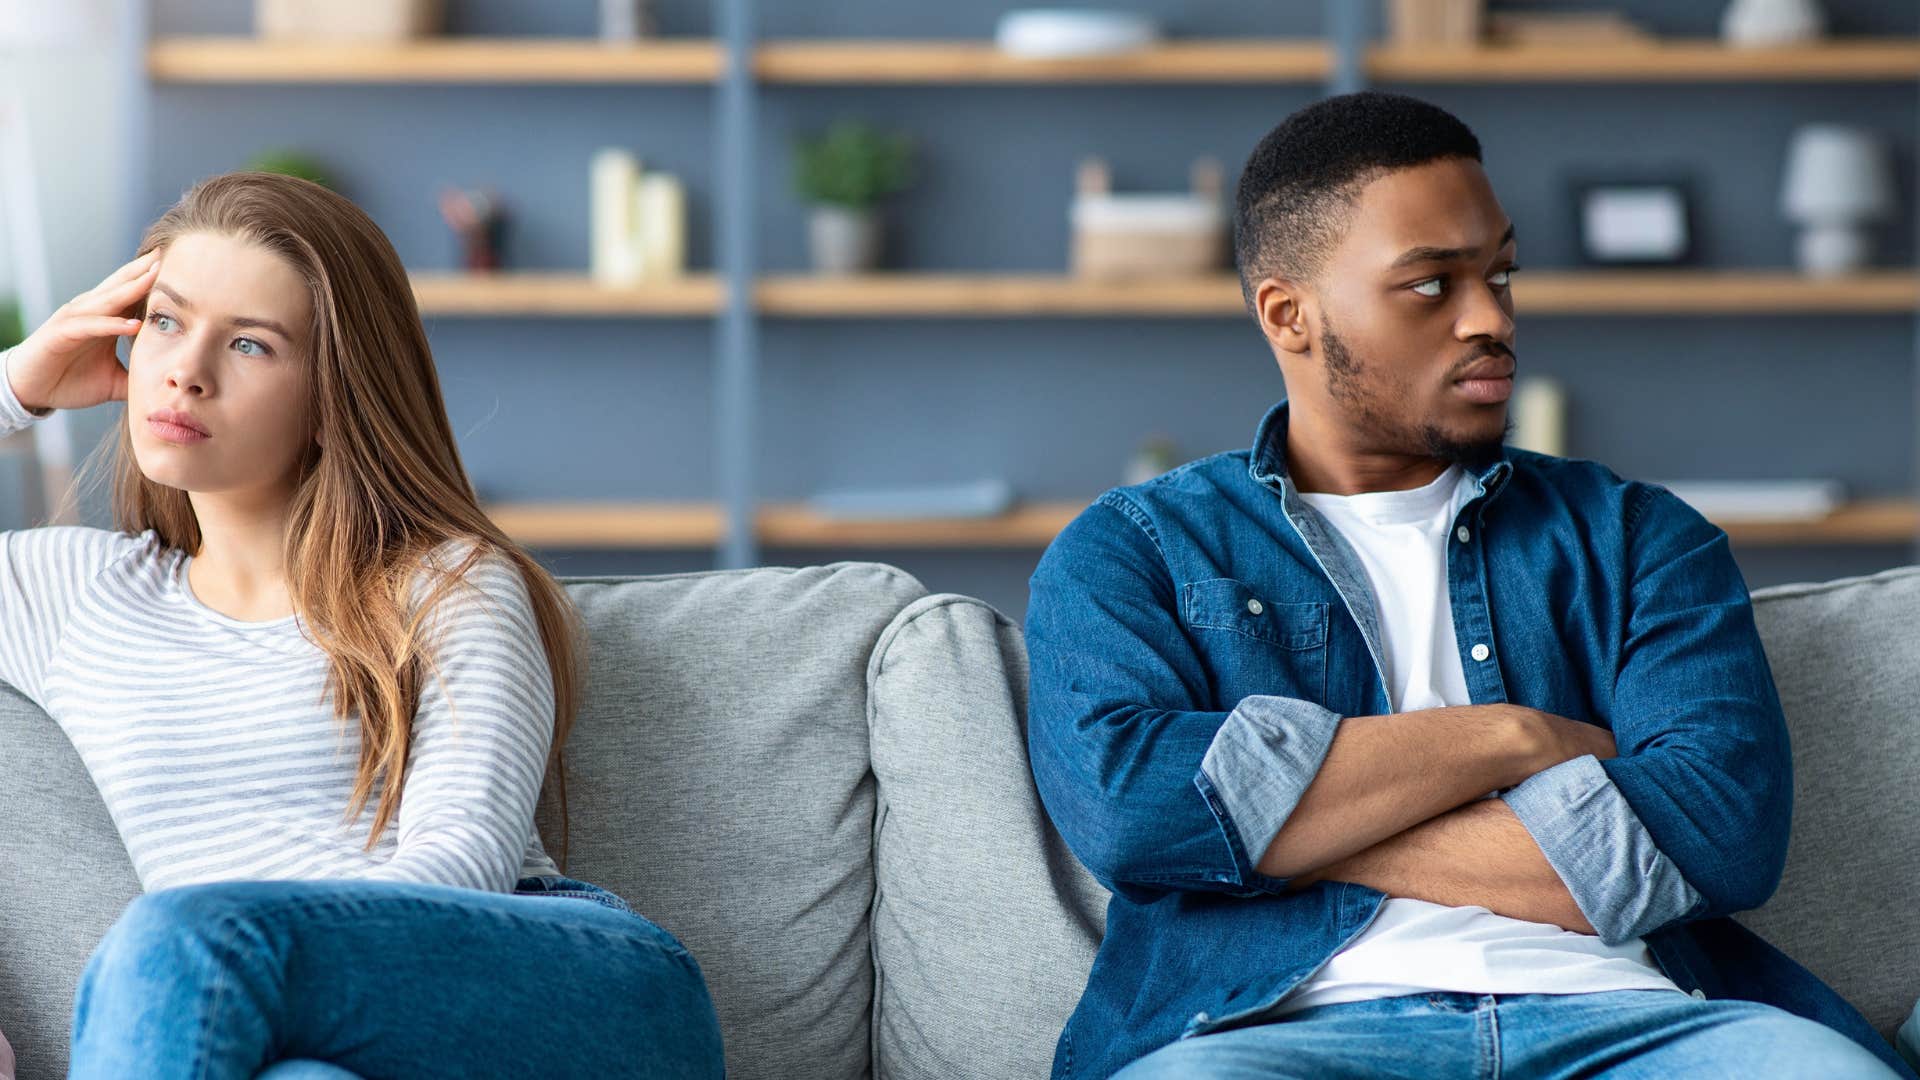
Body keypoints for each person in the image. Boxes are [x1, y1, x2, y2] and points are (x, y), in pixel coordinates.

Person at [1024, 91, 1911, 1079]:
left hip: (1638, 1024)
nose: (1491, 317)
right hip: (1275, 1037)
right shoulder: (1136, 548)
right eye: (1430, 285)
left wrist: (1273, 829)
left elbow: (1722, 840)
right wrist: (1511, 739)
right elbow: (1130, 813)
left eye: (1500, 274)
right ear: (1291, 315)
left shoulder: (1639, 537)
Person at [0, 172, 724, 1079]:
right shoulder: (71, 596)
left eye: (253, 345)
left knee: (184, 935)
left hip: (562, 989)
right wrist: (17, 385)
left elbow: (464, 861)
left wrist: (242, 944)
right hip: (284, 1025)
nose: (188, 370)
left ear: (333, 394)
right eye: (167, 321)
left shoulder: (446, 583)